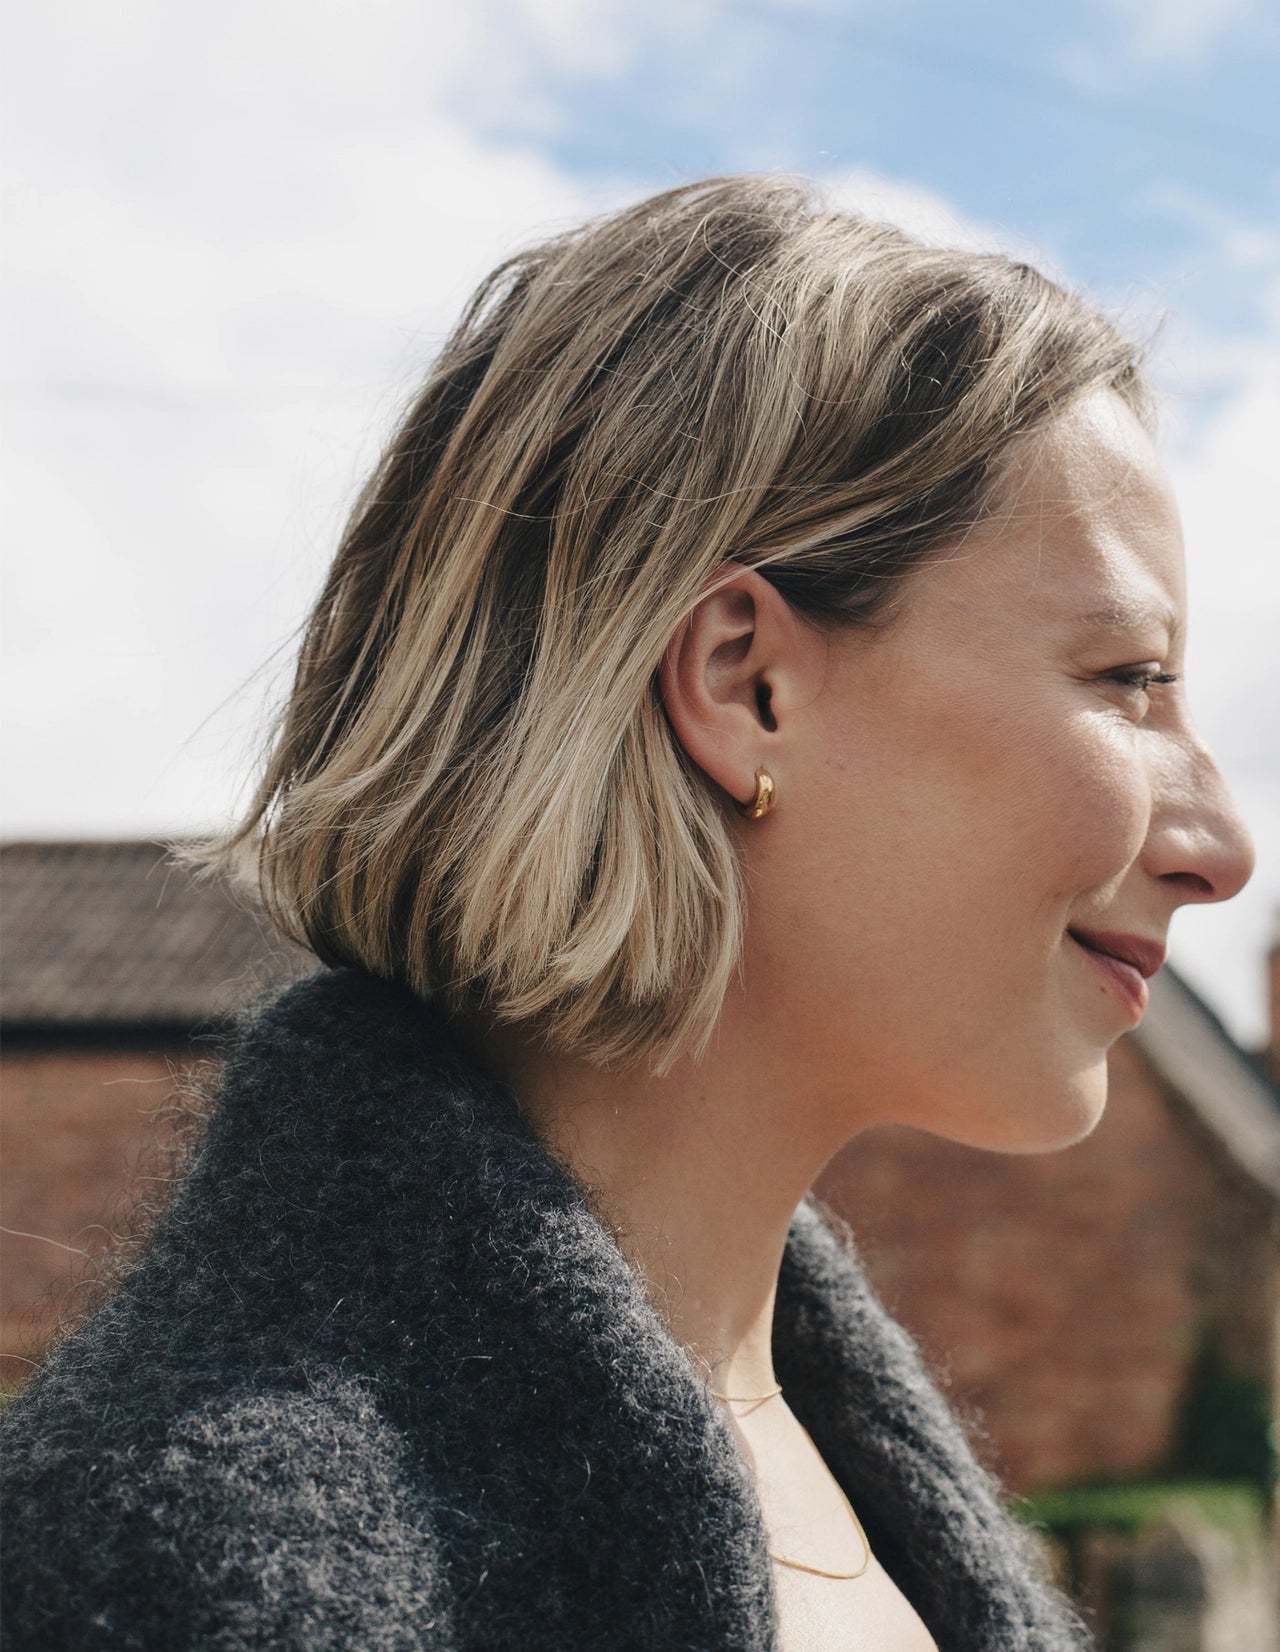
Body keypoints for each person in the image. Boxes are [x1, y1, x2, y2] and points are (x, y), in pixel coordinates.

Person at [0, 176, 1253, 1652]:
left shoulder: (843, 1463)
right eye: (1125, 679)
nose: (1219, 847)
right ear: (744, 682)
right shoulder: (169, 1565)